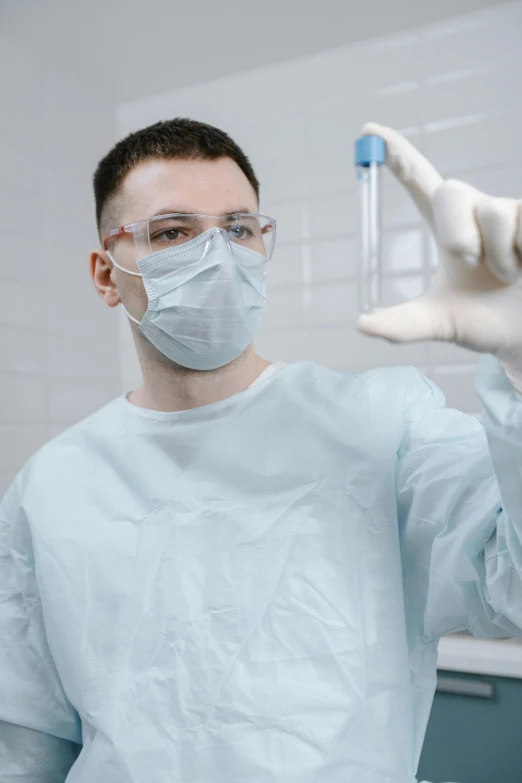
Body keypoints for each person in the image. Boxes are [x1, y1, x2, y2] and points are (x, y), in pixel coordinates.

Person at [0, 117, 521, 783]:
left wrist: (520, 368)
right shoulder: (52, 486)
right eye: (173, 232)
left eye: (239, 229)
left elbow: (515, 579)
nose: (217, 255)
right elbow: (26, 744)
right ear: (107, 274)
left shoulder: (380, 423)